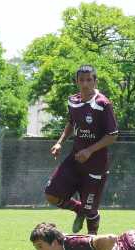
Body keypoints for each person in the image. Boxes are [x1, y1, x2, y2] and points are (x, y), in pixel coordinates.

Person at [45, 65, 118, 235]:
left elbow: (112, 135)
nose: (85, 84)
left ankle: (91, 245)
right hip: (75, 160)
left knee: (91, 211)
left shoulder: (103, 104)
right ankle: (80, 210)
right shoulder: (73, 101)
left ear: (95, 81)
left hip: (96, 166)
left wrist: (90, 151)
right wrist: (59, 142)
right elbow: (71, 123)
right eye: (81, 80)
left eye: (89, 80)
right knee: (51, 195)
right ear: (77, 81)